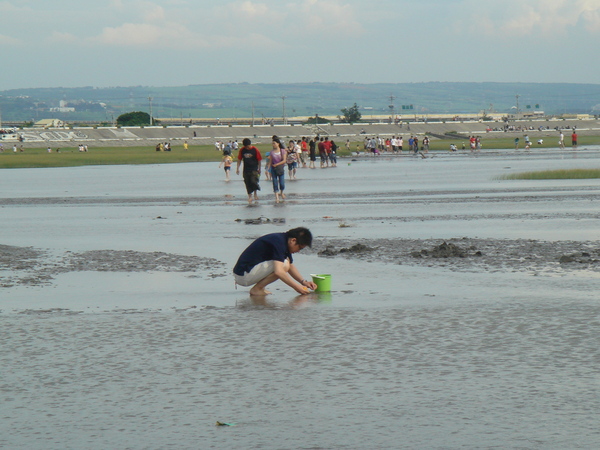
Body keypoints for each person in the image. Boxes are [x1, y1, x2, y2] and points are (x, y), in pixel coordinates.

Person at [233, 227, 318, 296]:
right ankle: (257, 289)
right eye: (299, 248)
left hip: (246, 272)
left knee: (285, 263)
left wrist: (304, 282)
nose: (298, 251)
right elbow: (279, 272)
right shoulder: (279, 242)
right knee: (283, 265)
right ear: (293, 240)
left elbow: (291, 266)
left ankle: (260, 287)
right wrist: (297, 287)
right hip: (244, 275)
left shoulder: (282, 240)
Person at [236, 138, 262, 204]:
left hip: (254, 169)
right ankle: (250, 196)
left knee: (254, 181)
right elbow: (239, 159)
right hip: (246, 169)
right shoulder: (242, 150)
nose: (247, 148)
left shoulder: (255, 150)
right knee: (247, 183)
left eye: (248, 146)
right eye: (246, 147)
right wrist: (237, 168)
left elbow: (259, 160)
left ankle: (255, 193)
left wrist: (259, 169)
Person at [269, 137, 287, 203]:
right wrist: (268, 169)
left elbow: (284, 160)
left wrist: (277, 164)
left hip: (280, 169)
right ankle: (276, 197)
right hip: (273, 169)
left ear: (278, 144)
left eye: (274, 143)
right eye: (272, 143)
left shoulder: (282, 151)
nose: (273, 144)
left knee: (282, 183)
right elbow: (270, 161)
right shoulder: (271, 152)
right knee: (275, 182)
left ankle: (281, 192)